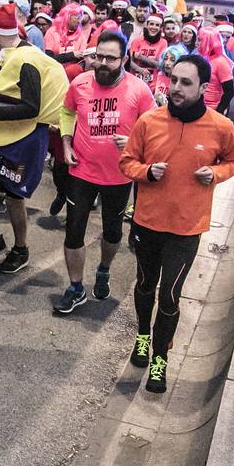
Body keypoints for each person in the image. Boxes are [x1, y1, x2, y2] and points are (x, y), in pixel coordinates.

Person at [119, 54, 234, 392]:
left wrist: (214, 173)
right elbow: (127, 161)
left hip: (187, 229)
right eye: (173, 79)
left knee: (171, 296)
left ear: (204, 87)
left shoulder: (221, 127)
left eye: (185, 83)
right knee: (145, 286)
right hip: (147, 223)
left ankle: (161, 358)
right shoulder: (148, 121)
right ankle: (142, 336)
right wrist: (146, 172)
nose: (176, 87)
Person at [53, 31, 155, 313]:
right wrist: (66, 142)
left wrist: (135, 141)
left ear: (124, 59)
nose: (103, 63)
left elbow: (155, 130)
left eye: (111, 58)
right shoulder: (80, 83)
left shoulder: (139, 91)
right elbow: (67, 112)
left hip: (119, 176)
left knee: (112, 233)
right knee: (74, 231)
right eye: (99, 56)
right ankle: (75, 287)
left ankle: (104, 269)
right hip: (82, 171)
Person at [0, 2, 68, 275]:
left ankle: (20, 249)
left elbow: (31, 108)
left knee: (14, 198)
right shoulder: (10, 54)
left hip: (24, 141)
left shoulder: (27, 60)